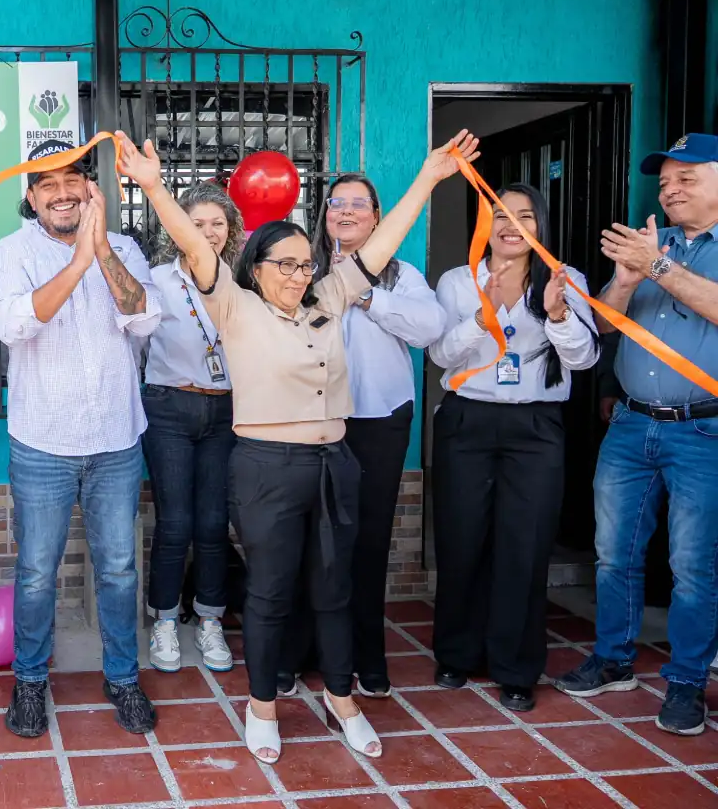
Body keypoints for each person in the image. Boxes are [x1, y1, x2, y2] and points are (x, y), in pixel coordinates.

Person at [119, 129, 480, 764]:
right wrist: (151, 186)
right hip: (266, 468)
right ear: (253, 266)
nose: (296, 273)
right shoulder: (233, 305)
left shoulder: (329, 298)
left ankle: (343, 700)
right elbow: (192, 246)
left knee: (335, 587)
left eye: (303, 263)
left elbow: (382, 243)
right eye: (282, 264)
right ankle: (262, 707)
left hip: (334, 463)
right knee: (270, 592)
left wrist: (426, 179)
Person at [0, 150, 162, 739]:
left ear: (91, 188)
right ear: (32, 197)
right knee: (37, 571)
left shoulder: (126, 249)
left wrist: (101, 250)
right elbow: (14, 326)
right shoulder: (14, 252)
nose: (62, 193)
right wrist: (77, 260)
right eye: (47, 185)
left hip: (115, 439)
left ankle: (122, 677)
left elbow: (144, 318)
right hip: (43, 443)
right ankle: (30, 681)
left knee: (118, 568)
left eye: (73, 181)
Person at [554, 133, 718, 736]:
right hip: (629, 424)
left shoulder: (664, 254)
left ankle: (685, 682)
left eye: (686, 179)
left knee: (693, 565)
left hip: (704, 431)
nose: (669, 190)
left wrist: (658, 267)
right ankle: (615, 658)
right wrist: (625, 278)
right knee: (612, 553)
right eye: (665, 181)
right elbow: (601, 322)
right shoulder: (656, 243)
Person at [428, 184, 598, 712]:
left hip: (535, 426)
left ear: (540, 226)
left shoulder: (565, 280)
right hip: (467, 421)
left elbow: (586, 359)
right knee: (461, 540)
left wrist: (558, 316)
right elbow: (439, 355)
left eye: (525, 215)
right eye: (500, 213)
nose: (511, 224)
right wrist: (484, 315)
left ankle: (517, 668)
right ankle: (457, 654)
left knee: (524, 547)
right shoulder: (459, 281)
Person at [284, 174, 447, 699]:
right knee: (310, 538)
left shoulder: (402, 276)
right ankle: (301, 651)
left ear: (378, 218)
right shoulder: (298, 268)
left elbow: (428, 331)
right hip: (310, 422)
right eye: (337, 204)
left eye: (360, 205)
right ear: (324, 214)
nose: (347, 212)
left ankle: (366, 657)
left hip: (378, 421)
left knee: (369, 540)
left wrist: (367, 296)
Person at [142, 183, 245, 674]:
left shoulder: (243, 279)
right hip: (168, 408)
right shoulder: (157, 279)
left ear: (232, 229)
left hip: (225, 411)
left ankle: (209, 620)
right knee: (176, 522)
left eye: (217, 224)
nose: (208, 233)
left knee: (211, 524)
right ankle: (164, 620)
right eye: (197, 224)